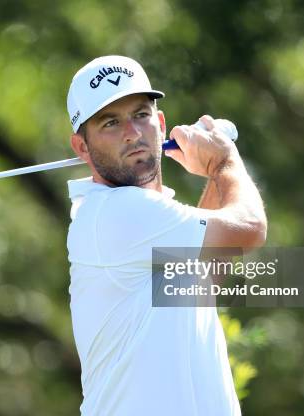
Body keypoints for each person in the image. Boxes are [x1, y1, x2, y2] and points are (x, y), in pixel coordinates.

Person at [65, 55, 267, 416]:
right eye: (110, 122)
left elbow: (201, 279)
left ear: (160, 123)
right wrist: (223, 162)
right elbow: (249, 229)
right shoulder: (118, 212)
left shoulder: (143, 223)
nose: (132, 132)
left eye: (140, 115)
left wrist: (214, 174)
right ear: (82, 148)